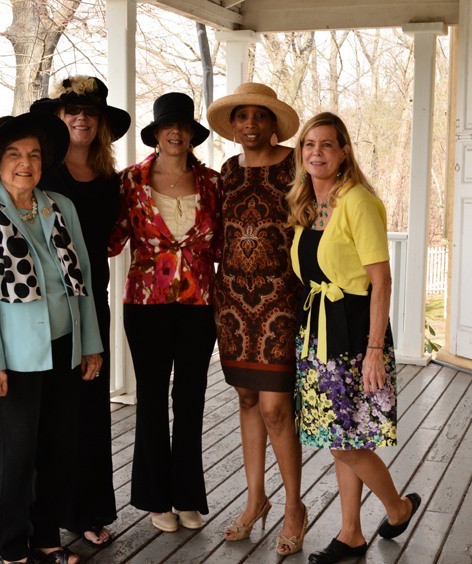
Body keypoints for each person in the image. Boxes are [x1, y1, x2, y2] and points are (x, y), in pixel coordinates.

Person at [0, 112, 103, 564]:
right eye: (15, 154)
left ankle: (46, 539)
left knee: (59, 451)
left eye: (35, 155)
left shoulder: (60, 205)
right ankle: (12, 549)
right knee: (16, 457)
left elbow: (82, 279)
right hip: (14, 357)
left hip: (64, 346)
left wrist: (92, 343)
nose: (26, 163)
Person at [286, 112, 421, 564]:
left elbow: (380, 281)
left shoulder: (358, 200)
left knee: (347, 441)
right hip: (317, 330)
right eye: (309, 144)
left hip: (352, 333)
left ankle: (397, 507)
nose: (316, 153)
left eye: (327, 144)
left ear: (344, 152)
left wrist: (374, 351)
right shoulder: (308, 203)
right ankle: (351, 534)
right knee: (341, 437)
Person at [108, 92, 222, 533]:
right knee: (152, 400)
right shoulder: (129, 181)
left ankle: (188, 495)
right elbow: (111, 237)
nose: (175, 133)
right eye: (166, 126)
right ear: (155, 134)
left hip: (199, 304)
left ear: (192, 134)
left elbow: (226, 245)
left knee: (190, 399)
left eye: (183, 126)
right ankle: (156, 499)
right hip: (146, 304)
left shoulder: (212, 183)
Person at [30, 75, 131, 547]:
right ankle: (44, 516)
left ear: (101, 122)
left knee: (91, 409)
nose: (81, 118)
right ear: (58, 118)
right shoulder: (43, 174)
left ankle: (87, 512)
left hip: (93, 304)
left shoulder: (112, 180)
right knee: (52, 413)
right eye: (72, 111)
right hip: (49, 308)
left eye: (90, 112)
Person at [206, 83, 307, 555]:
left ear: (272, 124)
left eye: (258, 117)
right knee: (247, 399)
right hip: (232, 303)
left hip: (281, 299)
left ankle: (294, 507)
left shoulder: (296, 164)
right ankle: (255, 500)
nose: (249, 124)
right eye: (241, 117)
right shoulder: (227, 171)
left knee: (275, 408)